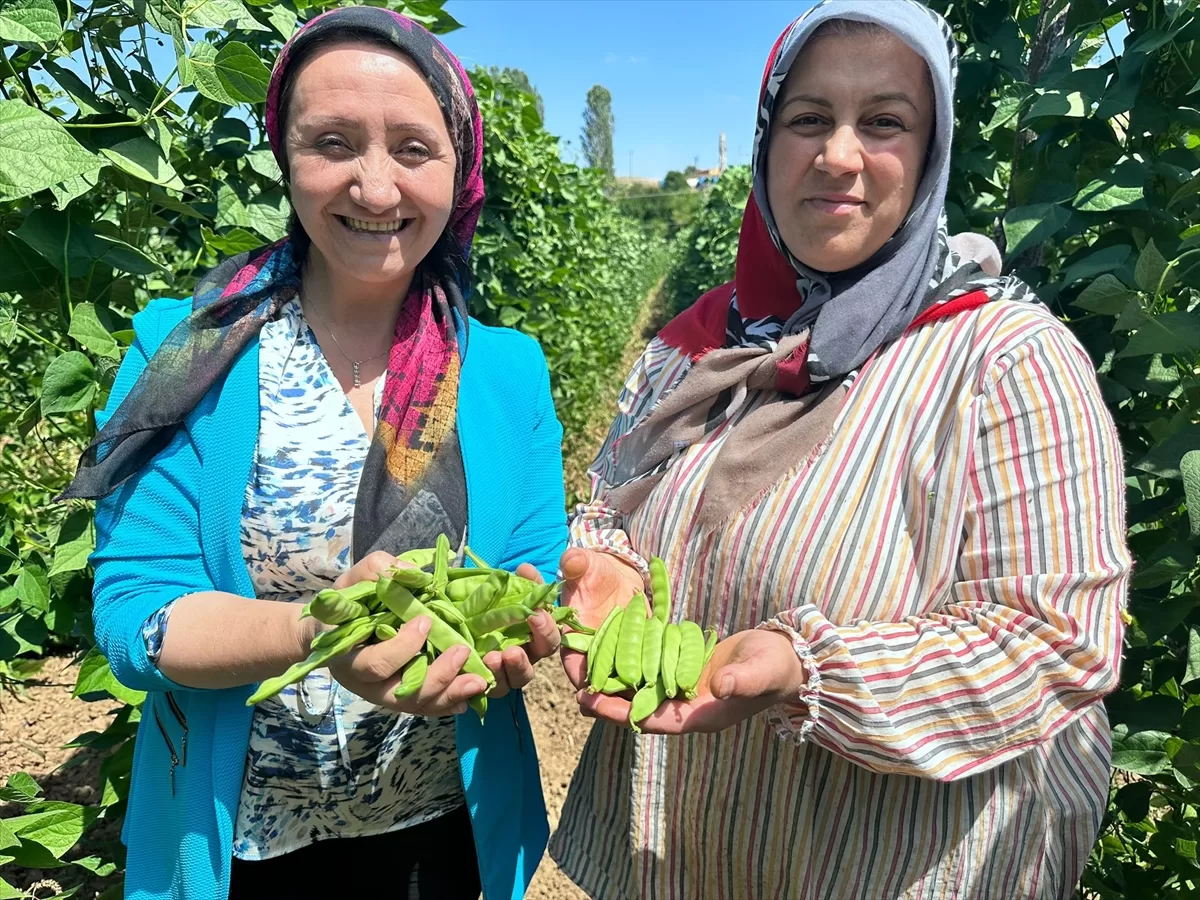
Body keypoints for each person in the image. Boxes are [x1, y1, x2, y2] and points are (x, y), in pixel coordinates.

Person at [552, 2, 1129, 898]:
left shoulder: (1006, 362)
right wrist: (610, 561)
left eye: (885, 121)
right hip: (682, 854)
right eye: (809, 118)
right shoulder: (696, 348)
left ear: (932, 153)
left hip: (880, 863)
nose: (839, 154)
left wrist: (804, 671)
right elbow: (614, 497)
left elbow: (1056, 641)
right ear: (766, 142)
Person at [65, 7, 565, 899]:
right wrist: (314, 635)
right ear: (285, 156)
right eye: (333, 142)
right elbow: (138, 615)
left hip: (443, 827)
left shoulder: (505, 374)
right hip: (241, 842)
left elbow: (532, 564)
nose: (374, 188)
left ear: (460, 168)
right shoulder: (187, 357)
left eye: (414, 149)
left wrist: (513, 630)